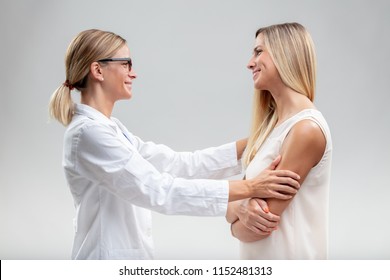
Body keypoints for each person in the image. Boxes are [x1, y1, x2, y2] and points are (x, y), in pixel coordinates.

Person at [48, 29, 301, 260]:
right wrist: (250, 187)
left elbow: (179, 164)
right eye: (126, 64)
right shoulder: (89, 134)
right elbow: (159, 190)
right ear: (98, 70)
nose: (133, 72)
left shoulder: (111, 129)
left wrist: (262, 139)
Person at [226, 22, 332, 259]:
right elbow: (233, 208)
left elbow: (256, 229)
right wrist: (241, 206)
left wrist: (236, 211)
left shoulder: (306, 130)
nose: (249, 62)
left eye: (258, 51)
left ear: (286, 53)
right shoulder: (271, 130)